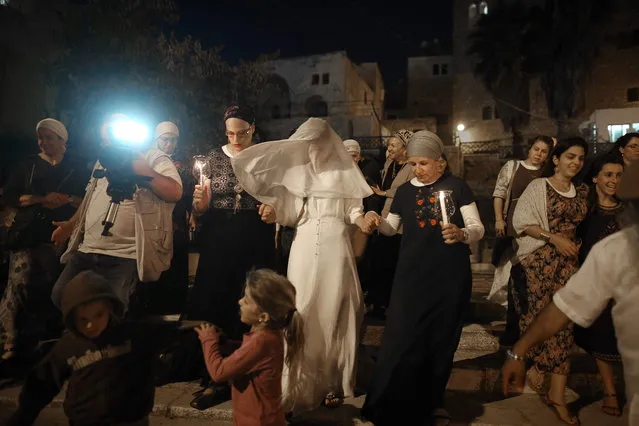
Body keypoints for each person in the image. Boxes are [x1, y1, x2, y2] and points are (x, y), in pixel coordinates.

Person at [230, 118, 375, 413]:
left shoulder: (345, 172)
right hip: (304, 245)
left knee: (332, 308)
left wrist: (364, 221)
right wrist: (275, 213)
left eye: (314, 145)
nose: (310, 151)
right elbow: (292, 212)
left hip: (336, 246)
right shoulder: (299, 173)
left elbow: (354, 211)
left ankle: (332, 381)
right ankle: (298, 381)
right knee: (303, 308)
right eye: (306, 146)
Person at [361, 130, 485, 426]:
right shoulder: (404, 192)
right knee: (401, 337)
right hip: (410, 276)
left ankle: (432, 402)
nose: (417, 169)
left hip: (449, 276)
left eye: (424, 163)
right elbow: (392, 228)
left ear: (440, 163)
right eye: (414, 163)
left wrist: (461, 233)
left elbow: (477, 227)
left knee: (441, 340)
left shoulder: (457, 187)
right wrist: (376, 221)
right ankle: (391, 402)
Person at [502, 159, 639, 426]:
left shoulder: (616, 248)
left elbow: (561, 311)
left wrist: (517, 353)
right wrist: (520, 352)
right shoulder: (616, 249)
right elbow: (562, 310)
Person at [185, 105, 276, 409]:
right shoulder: (212, 158)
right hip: (220, 237)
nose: (236, 138)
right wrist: (200, 206)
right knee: (214, 298)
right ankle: (212, 367)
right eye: (230, 133)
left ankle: (242, 366)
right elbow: (201, 207)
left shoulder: (265, 156)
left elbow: (278, 195)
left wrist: (272, 208)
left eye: (242, 132)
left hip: (254, 236)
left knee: (248, 300)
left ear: (253, 127)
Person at [49, 114, 182, 315]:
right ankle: (87, 340)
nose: (107, 143)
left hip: (126, 254)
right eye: (104, 140)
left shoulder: (152, 157)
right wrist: (70, 224)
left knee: (115, 308)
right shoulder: (103, 160)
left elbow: (175, 191)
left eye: (112, 137)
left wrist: (143, 171)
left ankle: (111, 345)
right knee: (62, 295)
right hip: (88, 250)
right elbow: (90, 195)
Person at [7, 270, 170, 426]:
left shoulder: (132, 334)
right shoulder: (68, 346)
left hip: (131, 421)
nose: (91, 325)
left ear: (109, 308)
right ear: (71, 318)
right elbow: (42, 383)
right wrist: (21, 418)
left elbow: (175, 339)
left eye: (98, 315)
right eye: (83, 319)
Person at [509, 138, 589, 425]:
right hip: (539, 265)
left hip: (569, 267)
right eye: (570, 156)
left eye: (580, 158)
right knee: (541, 325)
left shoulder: (582, 191)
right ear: (555, 159)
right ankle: (542, 377)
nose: (575, 163)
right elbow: (522, 223)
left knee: (565, 328)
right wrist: (553, 238)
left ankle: (554, 392)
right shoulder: (538, 187)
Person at [0, 119, 87, 361]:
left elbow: (88, 199)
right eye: (41, 137)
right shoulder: (27, 165)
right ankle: (10, 343)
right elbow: (11, 196)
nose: (43, 142)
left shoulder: (77, 167)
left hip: (62, 235)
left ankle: (62, 340)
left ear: (62, 141)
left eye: (49, 137)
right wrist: (42, 199)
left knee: (62, 288)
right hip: (29, 235)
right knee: (19, 284)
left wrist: (67, 199)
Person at [195, 269, 304, 426]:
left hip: (256, 420)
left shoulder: (260, 342)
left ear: (263, 317)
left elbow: (218, 372)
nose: (240, 302)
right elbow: (251, 356)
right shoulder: (270, 333)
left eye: (246, 301)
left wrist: (208, 340)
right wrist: (228, 345)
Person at [572, 153, 625, 416]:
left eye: (619, 175)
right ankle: (610, 392)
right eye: (608, 174)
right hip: (596, 285)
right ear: (595, 178)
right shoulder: (584, 212)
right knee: (602, 336)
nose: (614, 180)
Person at [489, 135, 553, 345]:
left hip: (538, 229)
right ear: (529, 148)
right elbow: (499, 193)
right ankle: (513, 328)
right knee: (514, 276)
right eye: (536, 149)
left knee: (535, 278)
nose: (539, 154)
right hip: (514, 228)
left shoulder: (548, 172)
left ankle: (534, 329)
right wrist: (499, 219)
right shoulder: (513, 167)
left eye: (544, 151)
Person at [139, 122, 191, 315]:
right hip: (157, 218)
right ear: (156, 139)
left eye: (173, 139)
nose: (169, 143)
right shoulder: (149, 161)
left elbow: (186, 192)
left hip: (179, 219)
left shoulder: (183, 163)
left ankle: (177, 310)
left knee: (177, 265)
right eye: (165, 139)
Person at [367, 129, 414, 318]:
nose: (389, 148)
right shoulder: (388, 164)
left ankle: (393, 306)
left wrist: (384, 193)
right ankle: (378, 303)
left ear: (405, 149)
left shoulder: (412, 167)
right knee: (380, 263)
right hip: (383, 219)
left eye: (394, 145)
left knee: (394, 264)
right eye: (389, 145)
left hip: (401, 223)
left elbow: (408, 191)